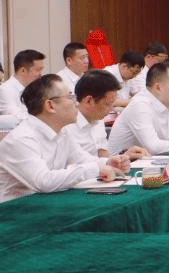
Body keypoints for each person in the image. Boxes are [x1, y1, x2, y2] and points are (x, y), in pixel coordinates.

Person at [0, 74, 125, 203]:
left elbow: (82, 159)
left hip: (41, 203)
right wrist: (95, 169)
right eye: (70, 97)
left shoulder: (62, 132)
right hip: (12, 209)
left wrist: (108, 163)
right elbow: (43, 181)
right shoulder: (22, 139)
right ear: (50, 106)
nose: (76, 103)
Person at [67, 69, 147, 160]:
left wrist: (125, 157)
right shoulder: (66, 127)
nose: (111, 109)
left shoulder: (97, 119)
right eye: (107, 104)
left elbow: (103, 157)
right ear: (89, 100)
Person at [0, 49, 46, 123]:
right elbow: (18, 119)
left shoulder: (35, 89)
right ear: (23, 70)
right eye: (38, 70)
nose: (41, 74)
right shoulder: (5, 90)